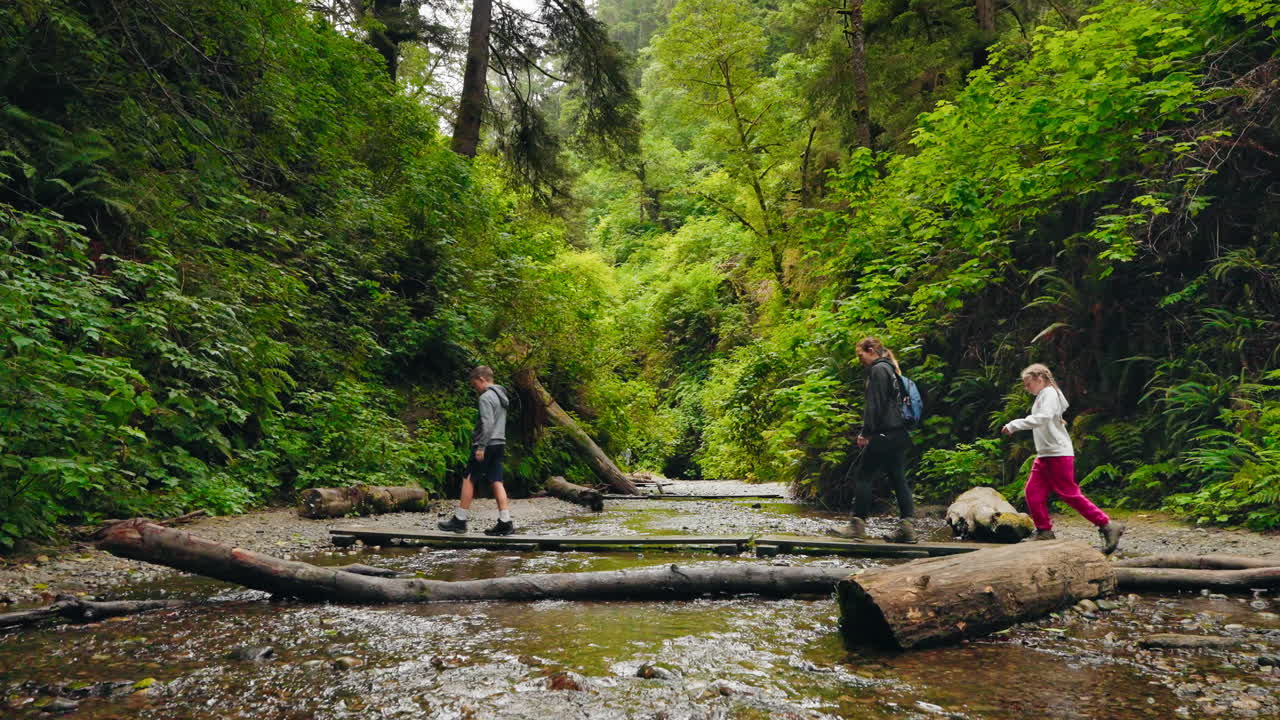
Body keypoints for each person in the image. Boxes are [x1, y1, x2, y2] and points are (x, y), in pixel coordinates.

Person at [1001, 363, 1124, 554]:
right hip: (1045, 455)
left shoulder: (1049, 393)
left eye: (1028, 383)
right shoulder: (1046, 394)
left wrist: (1015, 424)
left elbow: (1044, 417)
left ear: (1039, 379)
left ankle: (1107, 525)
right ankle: (1044, 531)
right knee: (1032, 492)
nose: (1027, 388)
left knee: (1069, 494)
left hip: (1058, 454)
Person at [835, 337, 916, 543]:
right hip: (899, 433)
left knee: (864, 476)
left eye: (860, 354)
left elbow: (876, 405)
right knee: (898, 478)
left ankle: (857, 527)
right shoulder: (892, 370)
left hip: (883, 433)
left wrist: (866, 432)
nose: (859, 359)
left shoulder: (878, 370)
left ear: (870, 350)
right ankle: (907, 528)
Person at [438, 366, 515, 536]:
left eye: (475, 385)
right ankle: (505, 521)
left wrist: (481, 446)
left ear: (482, 379)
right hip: (500, 443)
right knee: (497, 480)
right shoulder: (501, 396)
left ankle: (459, 520)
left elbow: (487, 423)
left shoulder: (486, 397)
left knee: (469, 478)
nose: (476, 389)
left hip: (487, 443)